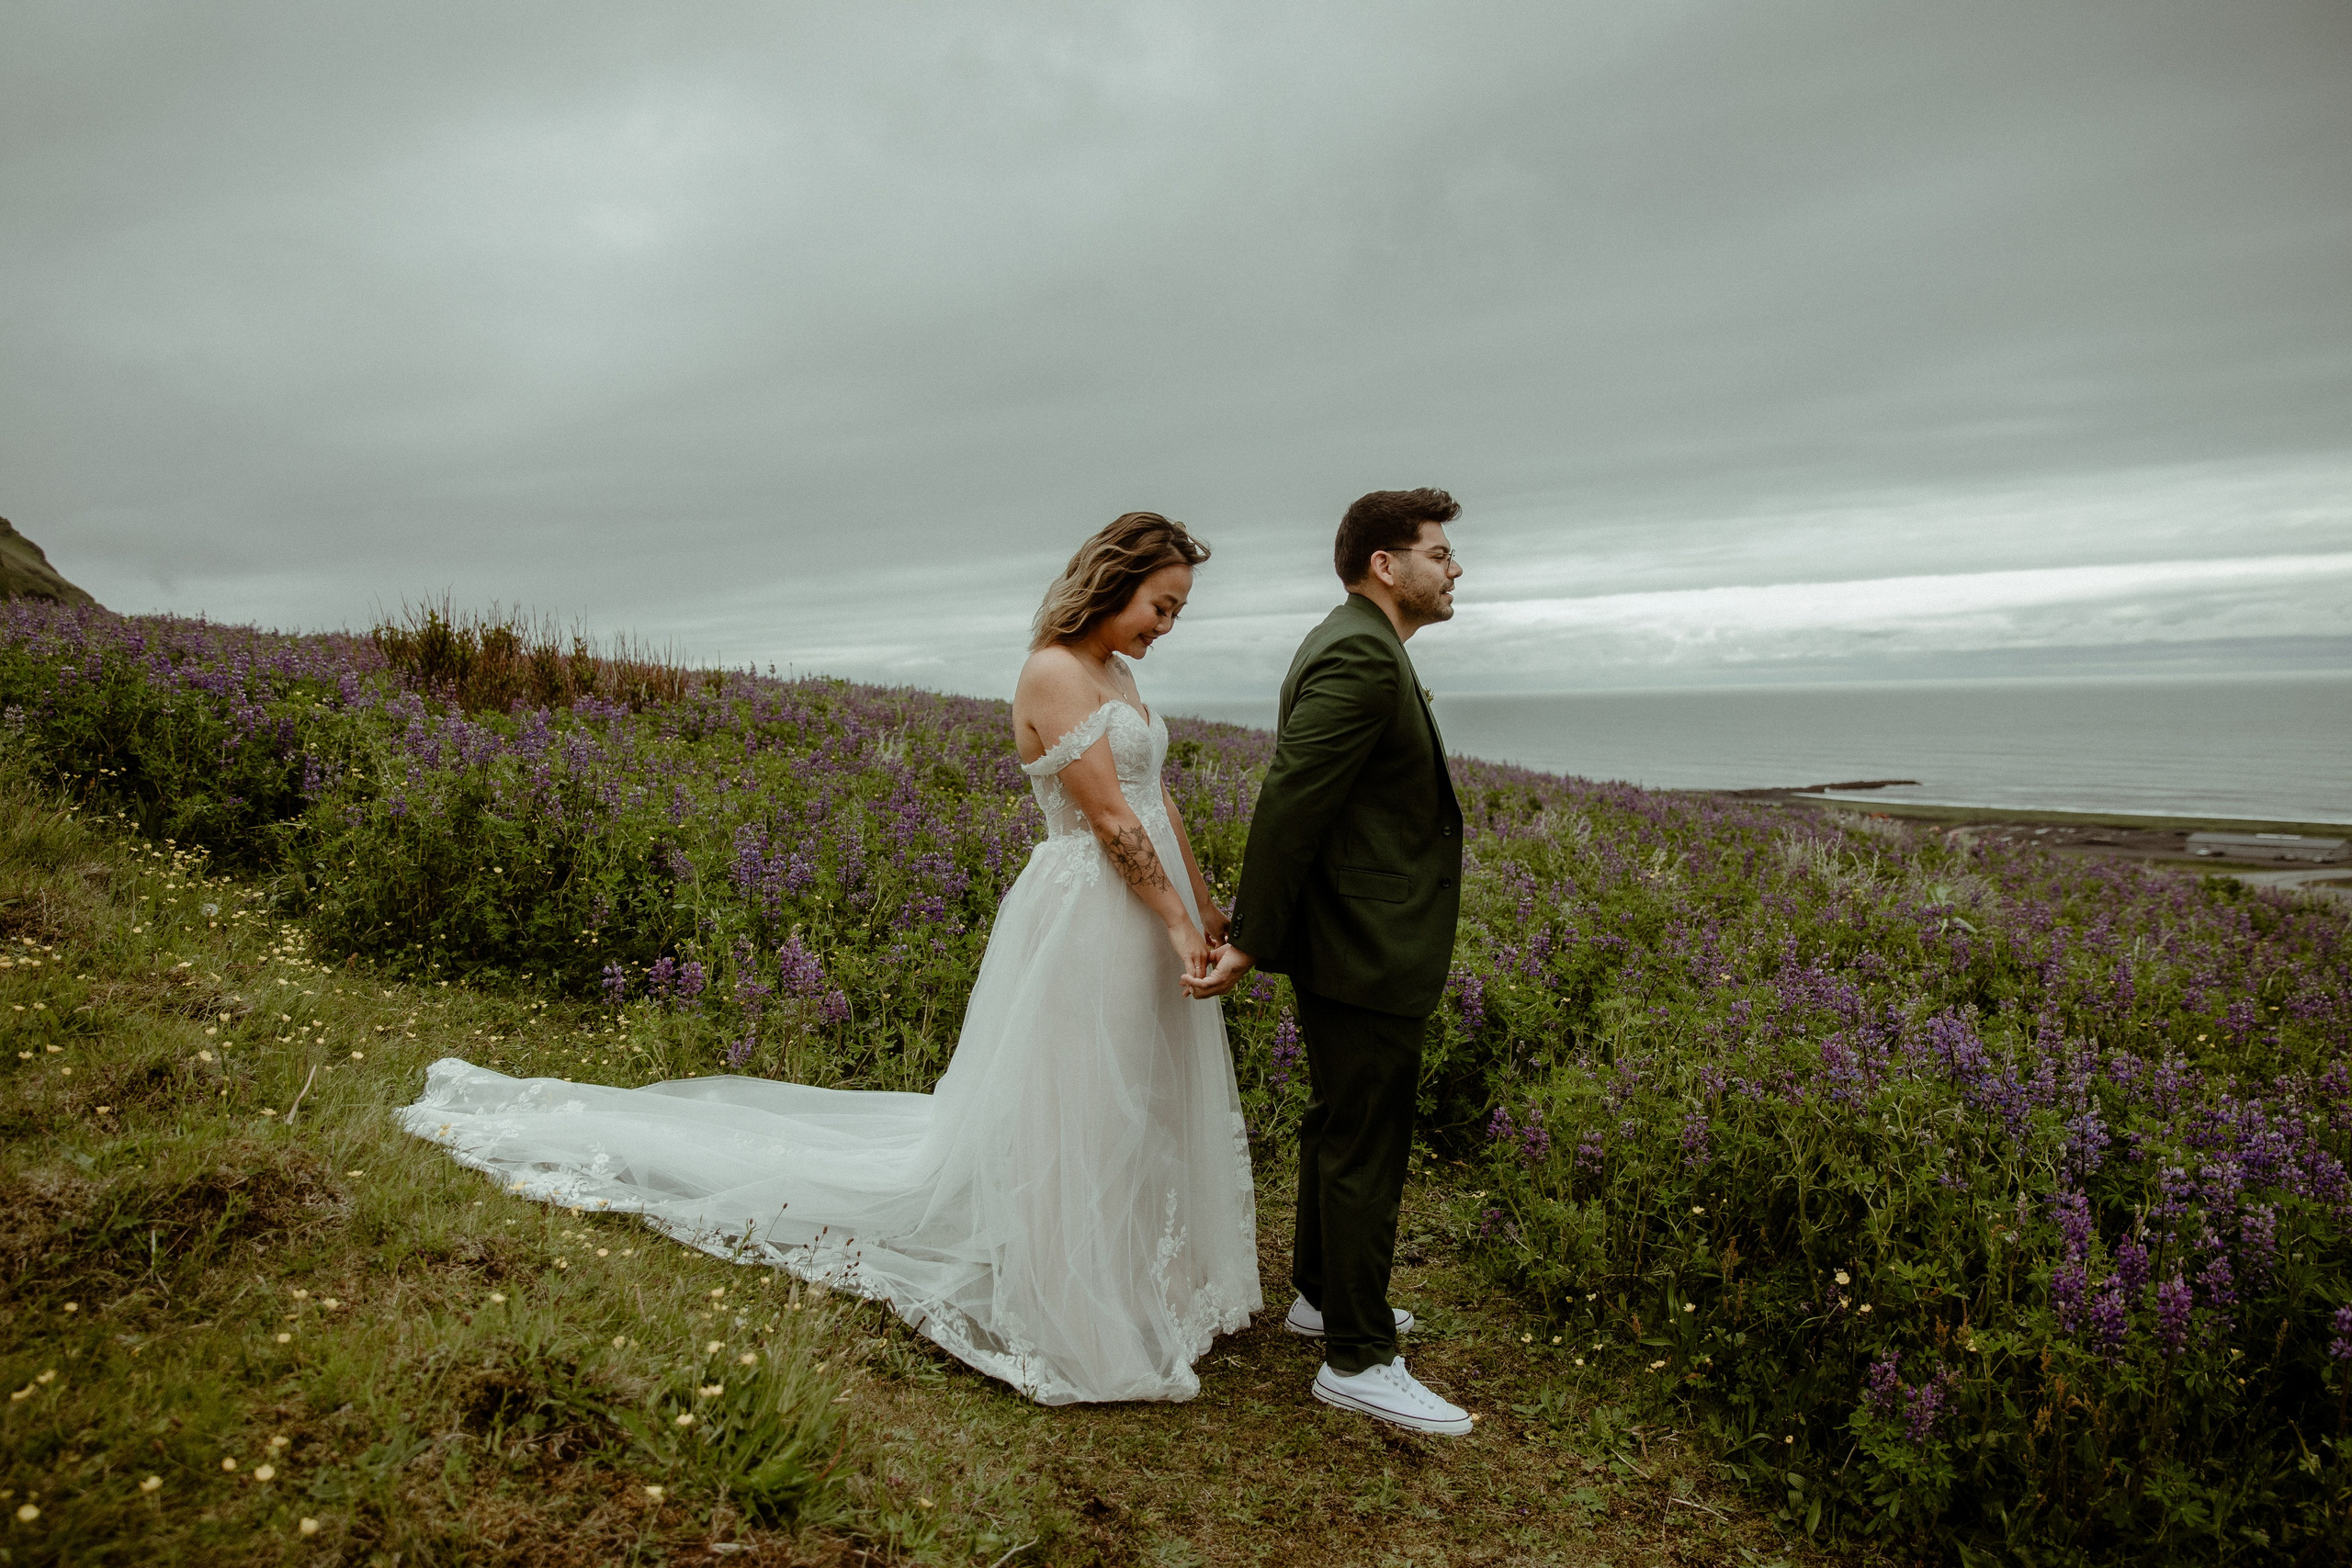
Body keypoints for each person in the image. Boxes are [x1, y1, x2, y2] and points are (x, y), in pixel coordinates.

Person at [401, 513, 1260, 1405]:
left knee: (1138, 1091)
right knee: (1082, 1094)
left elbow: (1156, 803)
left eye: (1177, 611)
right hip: (1090, 910)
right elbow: (1110, 820)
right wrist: (1172, 920)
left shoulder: (1118, 672)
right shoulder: (1054, 669)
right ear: (1114, 581)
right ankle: (1074, 1301)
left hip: (1144, 905)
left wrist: (1201, 908)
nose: (1167, 625)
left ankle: (1139, 1278)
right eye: (1161, 606)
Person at [1183, 488, 1471, 1436]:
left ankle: (1321, 1295)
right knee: (1365, 1141)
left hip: (1353, 933)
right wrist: (1250, 940)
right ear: (1385, 565)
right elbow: (1292, 799)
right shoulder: (1359, 650)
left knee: (1341, 1122)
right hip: (1364, 940)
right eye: (1439, 553)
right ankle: (1358, 1357)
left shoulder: (1359, 640)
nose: (1455, 568)